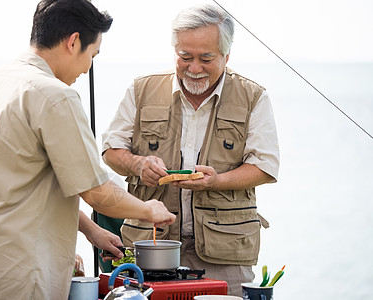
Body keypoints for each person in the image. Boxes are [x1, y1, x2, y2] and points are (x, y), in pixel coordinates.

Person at [0, 0, 176, 299]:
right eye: (92, 54)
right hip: (15, 278)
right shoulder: (55, 96)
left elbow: (16, 182)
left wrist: (90, 228)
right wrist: (148, 209)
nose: (89, 66)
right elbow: (97, 193)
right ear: (74, 41)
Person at [101, 3, 279, 296]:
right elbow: (110, 151)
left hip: (226, 254)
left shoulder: (253, 96)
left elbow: (265, 166)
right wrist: (137, 165)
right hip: (150, 247)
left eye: (206, 58)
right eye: (185, 56)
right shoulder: (140, 89)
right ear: (175, 50)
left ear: (226, 55)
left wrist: (217, 181)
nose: (194, 68)